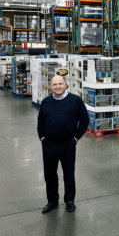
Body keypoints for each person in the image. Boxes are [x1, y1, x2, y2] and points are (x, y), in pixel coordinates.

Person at [37, 74, 90, 214]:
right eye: (54, 84)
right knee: (50, 174)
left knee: (69, 173)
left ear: (65, 85)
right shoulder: (46, 102)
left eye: (60, 84)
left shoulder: (75, 101)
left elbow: (85, 120)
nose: (58, 87)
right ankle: (52, 201)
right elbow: (40, 122)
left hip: (68, 144)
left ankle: (70, 200)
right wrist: (42, 138)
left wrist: (76, 138)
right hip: (49, 144)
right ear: (51, 87)